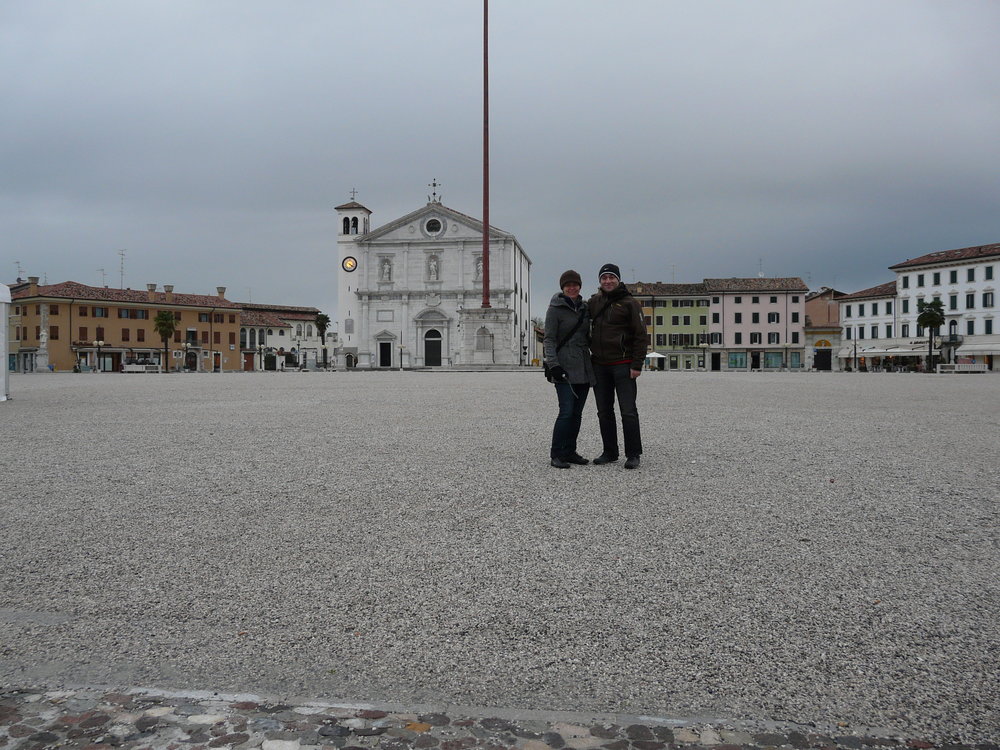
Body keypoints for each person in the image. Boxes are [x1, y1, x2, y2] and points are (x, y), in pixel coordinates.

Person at [588, 263, 649, 469]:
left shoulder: (630, 303)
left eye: (611, 277)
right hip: (599, 364)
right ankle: (610, 451)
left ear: (618, 279)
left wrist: (637, 364)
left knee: (628, 411)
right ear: (600, 281)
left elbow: (641, 335)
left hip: (623, 364)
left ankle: (633, 453)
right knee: (604, 411)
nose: (607, 281)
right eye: (604, 277)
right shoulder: (594, 302)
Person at [543, 270, 596, 469]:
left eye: (575, 284)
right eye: (568, 285)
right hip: (563, 366)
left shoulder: (585, 308)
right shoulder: (554, 309)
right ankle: (556, 453)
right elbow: (549, 339)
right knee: (566, 412)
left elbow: (588, 336)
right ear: (562, 287)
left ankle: (570, 451)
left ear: (580, 286)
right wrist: (554, 365)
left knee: (577, 414)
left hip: (583, 366)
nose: (572, 288)